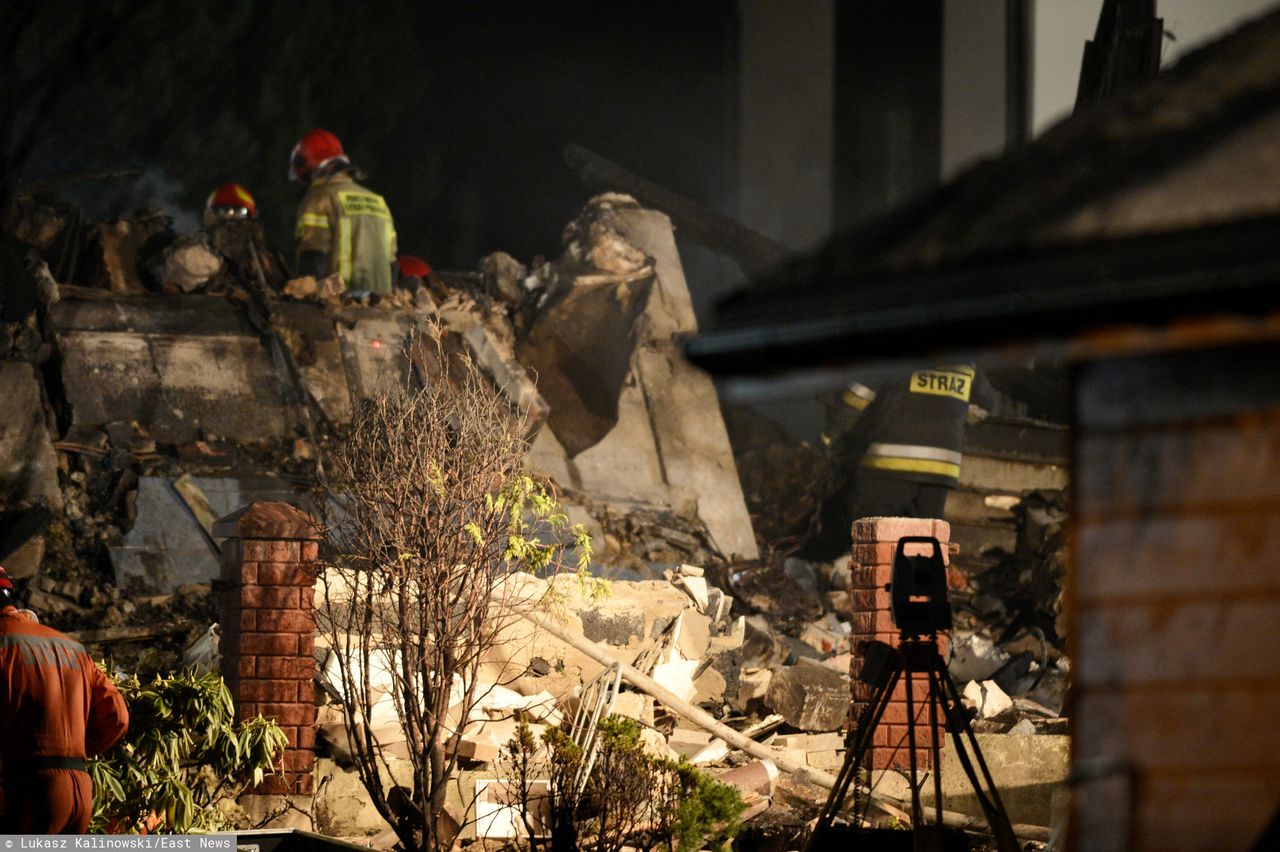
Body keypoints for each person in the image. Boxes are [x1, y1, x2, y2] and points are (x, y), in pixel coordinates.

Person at [0, 565, 129, 833]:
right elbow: (118, 717)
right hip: (78, 791)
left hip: (29, 791)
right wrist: (70, 751)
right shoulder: (72, 647)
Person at [834, 363, 996, 522]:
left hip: (889, 464)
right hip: (941, 468)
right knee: (923, 539)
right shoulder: (968, 363)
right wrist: (953, 421)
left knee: (872, 534)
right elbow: (984, 405)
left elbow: (856, 397)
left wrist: (839, 433)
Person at [289, 128, 397, 295]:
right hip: (381, 304)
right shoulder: (377, 200)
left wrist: (305, 294)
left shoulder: (319, 197)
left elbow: (313, 252)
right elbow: (391, 262)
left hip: (340, 302)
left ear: (309, 164)